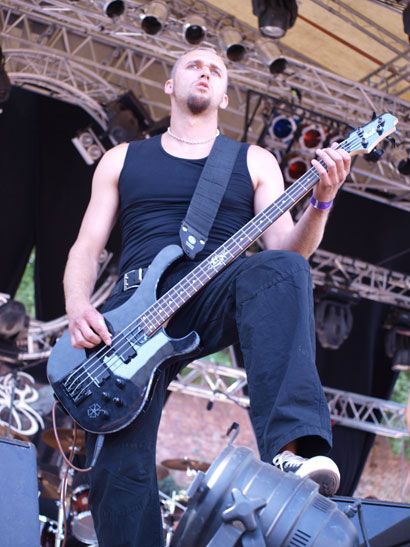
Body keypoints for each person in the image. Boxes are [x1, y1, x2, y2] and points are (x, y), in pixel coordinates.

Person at [63, 47, 351, 546]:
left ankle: (294, 449)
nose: (206, 72)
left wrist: (321, 203)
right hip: (134, 316)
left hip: (214, 290)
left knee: (281, 268)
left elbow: (288, 253)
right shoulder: (122, 159)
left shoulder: (254, 160)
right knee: (118, 470)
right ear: (170, 84)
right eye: (194, 66)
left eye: (216, 70)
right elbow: (87, 248)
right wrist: (77, 306)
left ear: (224, 95)